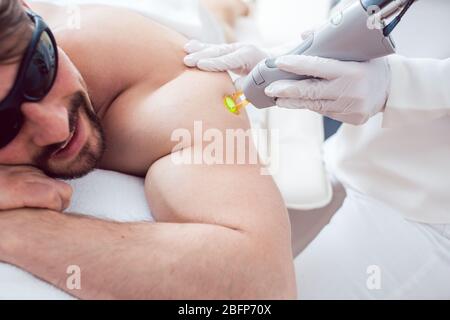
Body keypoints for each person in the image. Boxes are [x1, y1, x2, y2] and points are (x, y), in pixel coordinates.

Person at [0, 0, 297, 299]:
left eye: (39, 70)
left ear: (28, 10)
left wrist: (17, 228)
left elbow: (264, 283)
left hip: (173, 25)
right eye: (3, 124)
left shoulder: (174, 94)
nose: (58, 127)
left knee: (215, 17)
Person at [184, 0, 450, 298]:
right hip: (357, 153)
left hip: (428, 209)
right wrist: (286, 57)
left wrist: (401, 85)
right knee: (227, 278)